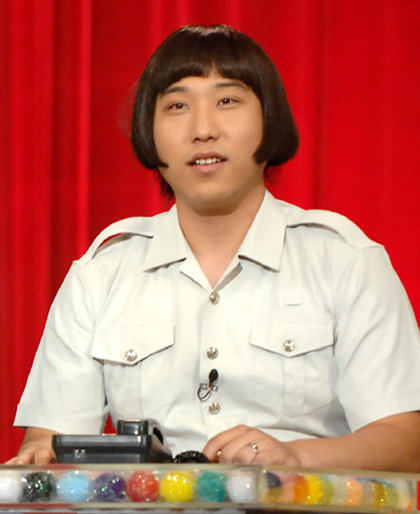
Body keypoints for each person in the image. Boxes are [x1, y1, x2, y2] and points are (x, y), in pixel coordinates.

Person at [9, 24, 420, 471]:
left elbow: (405, 441)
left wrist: (295, 458)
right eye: (177, 106)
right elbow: (51, 444)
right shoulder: (101, 272)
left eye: (227, 101)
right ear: (150, 131)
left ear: (269, 120)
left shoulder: (345, 260)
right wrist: (39, 459)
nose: (203, 130)